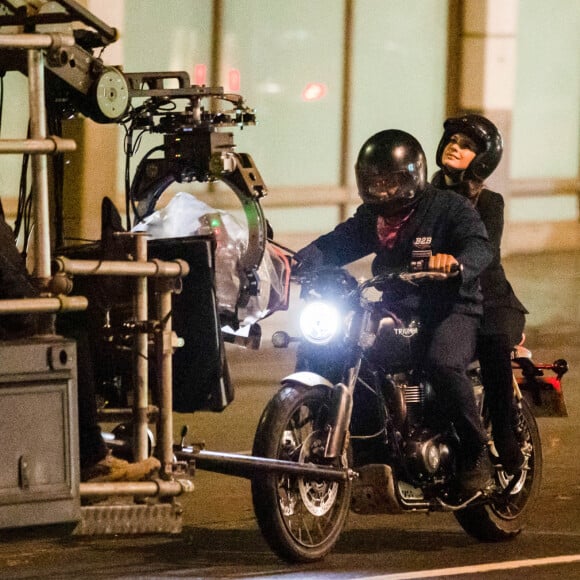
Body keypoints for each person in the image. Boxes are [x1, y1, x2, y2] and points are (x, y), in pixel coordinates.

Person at [295, 129, 494, 495]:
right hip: (397, 304)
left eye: (392, 183)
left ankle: (475, 450)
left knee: (442, 363)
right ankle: (370, 445)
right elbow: (338, 243)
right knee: (343, 348)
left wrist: (456, 264)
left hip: (449, 308)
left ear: (414, 175)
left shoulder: (449, 207)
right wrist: (296, 261)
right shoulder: (372, 216)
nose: (383, 192)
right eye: (375, 183)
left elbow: (479, 247)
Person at [0, 210, 160, 483]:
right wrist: (37, 304)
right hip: (12, 318)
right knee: (75, 334)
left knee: (82, 323)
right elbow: (7, 279)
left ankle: (91, 446)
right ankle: (92, 458)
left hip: (15, 310)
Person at [431, 114, 528, 474]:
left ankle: (504, 435)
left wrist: (457, 262)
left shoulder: (489, 203)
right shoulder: (424, 197)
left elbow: (485, 251)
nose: (456, 146)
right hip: (442, 297)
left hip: (490, 299)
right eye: (453, 140)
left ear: (483, 158)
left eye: (468, 145)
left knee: (492, 340)